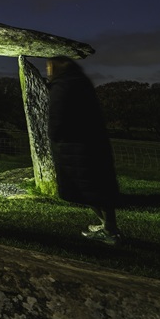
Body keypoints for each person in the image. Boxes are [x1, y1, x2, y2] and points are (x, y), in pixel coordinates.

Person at [46, 56, 122, 244]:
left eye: (49, 67)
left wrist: (53, 135)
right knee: (99, 187)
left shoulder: (61, 86)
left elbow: (57, 116)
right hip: (94, 141)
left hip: (74, 146)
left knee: (86, 189)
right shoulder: (81, 82)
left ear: (57, 68)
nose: (47, 71)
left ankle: (110, 231)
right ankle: (108, 225)